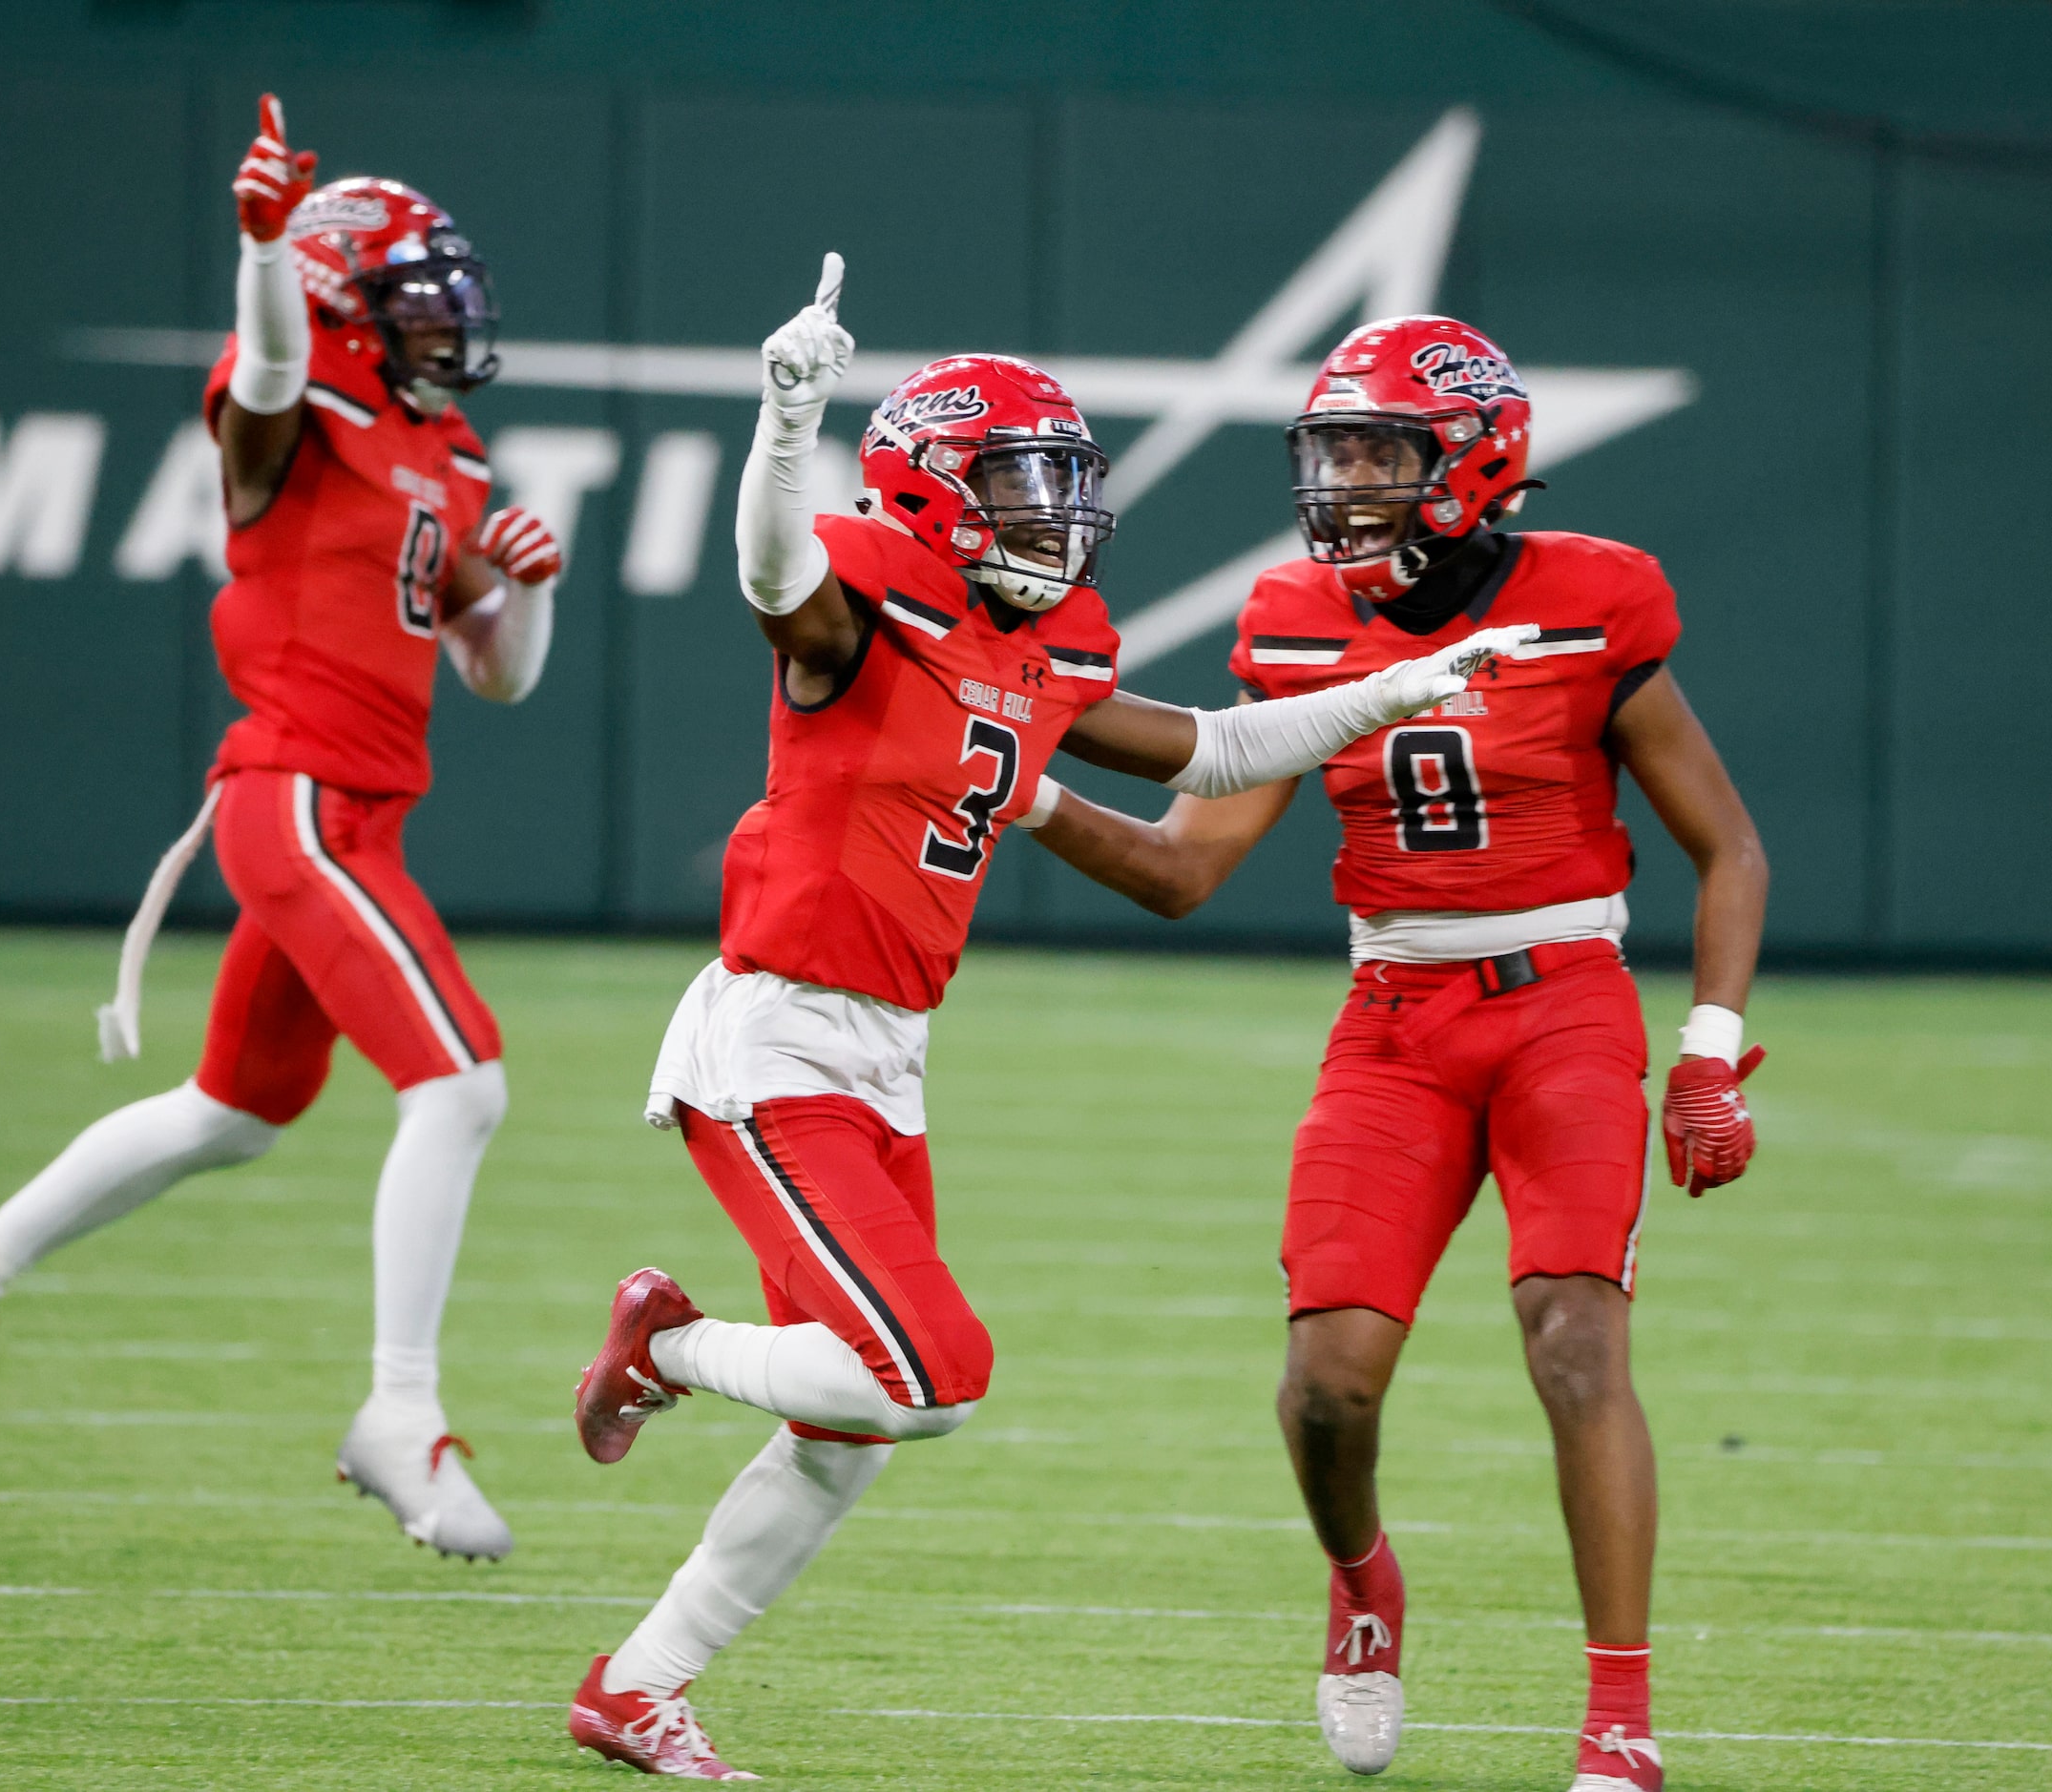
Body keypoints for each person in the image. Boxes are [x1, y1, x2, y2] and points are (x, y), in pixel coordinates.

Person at [559, 260, 1539, 1779]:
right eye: (1020, 480)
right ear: (934, 492)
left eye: (1059, 478)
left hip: (887, 1057)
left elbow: (1212, 752)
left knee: (850, 1429)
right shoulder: (855, 600)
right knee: (925, 1374)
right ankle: (669, 1345)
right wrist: (785, 412)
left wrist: (1402, 683)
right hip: (773, 1039)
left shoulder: (1046, 634)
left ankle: (637, 1684)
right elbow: (767, 575)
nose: (1052, 509)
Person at [1023, 314, 1768, 1792]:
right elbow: (1185, 870)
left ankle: (1617, 1716)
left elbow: (1726, 843)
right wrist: (1022, 791)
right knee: (1326, 1386)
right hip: (1393, 1024)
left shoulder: (1593, 596)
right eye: (1333, 449)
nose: (1344, 480)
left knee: (1574, 1338)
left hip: (1560, 1002)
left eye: (1376, 450)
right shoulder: (1295, 609)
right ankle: (1362, 1580)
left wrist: (1707, 1045)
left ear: (1471, 458)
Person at [0, 95, 567, 1563]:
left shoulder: (442, 452)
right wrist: (262, 248)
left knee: (234, 1113)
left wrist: (528, 591)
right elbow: (266, 366)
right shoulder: (294, 407)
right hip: (299, 801)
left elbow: (496, 674)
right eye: (414, 304)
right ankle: (402, 1410)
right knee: (460, 1085)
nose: (447, 328)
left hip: (358, 814)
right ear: (344, 308)